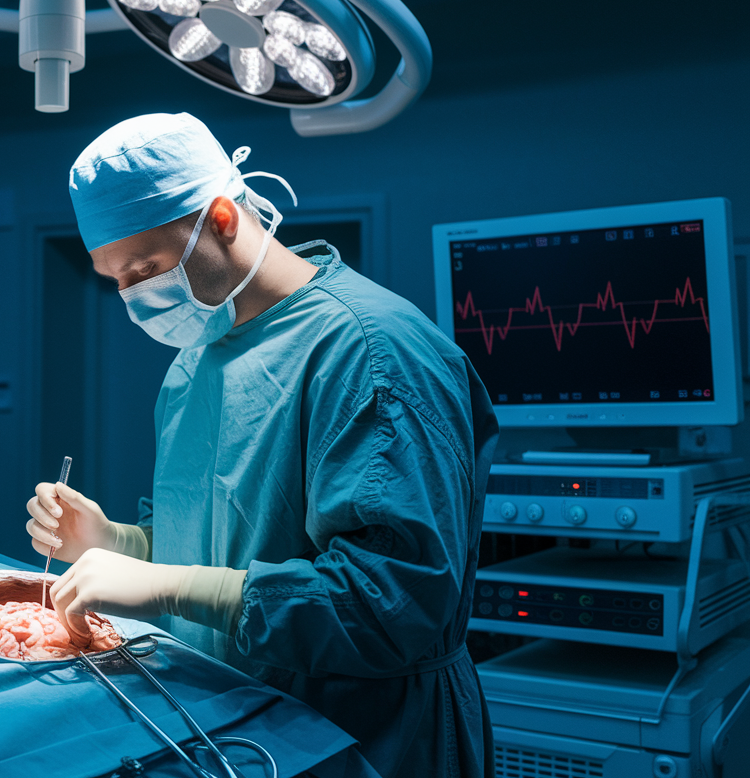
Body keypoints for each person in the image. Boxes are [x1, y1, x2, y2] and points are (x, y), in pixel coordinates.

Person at [26, 112, 499, 778]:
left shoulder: (371, 352)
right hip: (235, 729)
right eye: (115, 280)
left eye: (147, 268)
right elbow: (212, 546)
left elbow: (392, 605)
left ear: (222, 216)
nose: (134, 297)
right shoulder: (194, 365)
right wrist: (113, 542)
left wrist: (165, 585)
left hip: (369, 740)